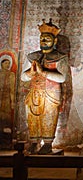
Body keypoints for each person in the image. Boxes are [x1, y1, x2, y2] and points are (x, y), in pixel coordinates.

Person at [21, 19, 69, 154]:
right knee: (33, 117)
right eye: (42, 38)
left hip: (51, 93)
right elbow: (22, 77)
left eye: (47, 39)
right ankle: (34, 142)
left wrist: (44, 73)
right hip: (34, 92)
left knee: (49, 117)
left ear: (54, 41)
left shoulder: (60, 57)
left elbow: (62, 77)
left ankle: (48, 144)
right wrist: (30, 73)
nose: (44, 41)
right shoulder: (32, 56)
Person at [0, 55, 15, 148]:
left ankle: (6, 142)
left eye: (9, 63)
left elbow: (12, 90)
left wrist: (12, 101)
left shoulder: (11, 75)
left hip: (6, 100)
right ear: (1, 64)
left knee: (6, 120)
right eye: (5, 63)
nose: (7, 65)